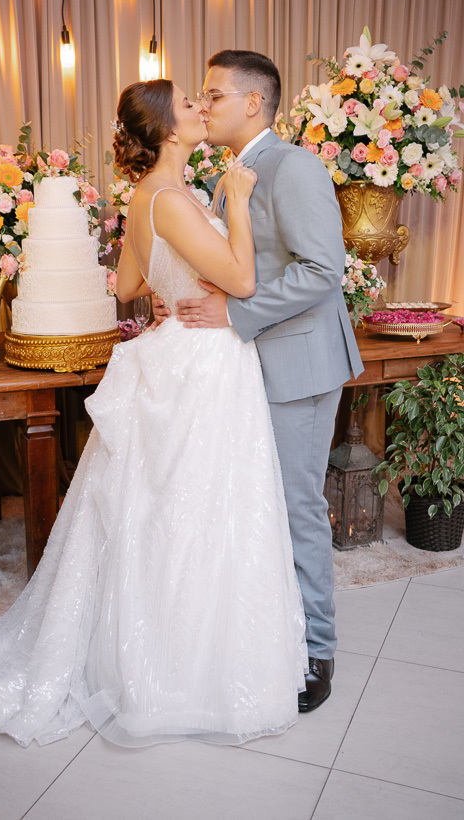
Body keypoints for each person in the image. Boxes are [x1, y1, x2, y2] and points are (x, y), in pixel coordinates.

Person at [0, 79, 308, 749]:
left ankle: (170, 653)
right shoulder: (174, 199)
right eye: (190, 105)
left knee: (169, 510)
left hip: (184, 355)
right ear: (167, 130)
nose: (201, 109)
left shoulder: (151, 199)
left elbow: (132, 286)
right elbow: (243, 283)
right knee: (200, 510)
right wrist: (244, 205)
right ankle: (184, 672)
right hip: (205, 366)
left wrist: (166, 293)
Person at [154, 51, 364, 712]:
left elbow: (322, 270)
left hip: (298, 366)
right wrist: (185, 296)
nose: (204, 105)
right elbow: (239, 265)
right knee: (259, 509)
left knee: (296, 507)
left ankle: (317, 655)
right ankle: (274, 636)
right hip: (250, 368)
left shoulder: (293, 167)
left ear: (253, 103)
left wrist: (233, 310)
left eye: (214, 94)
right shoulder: (229, 176)